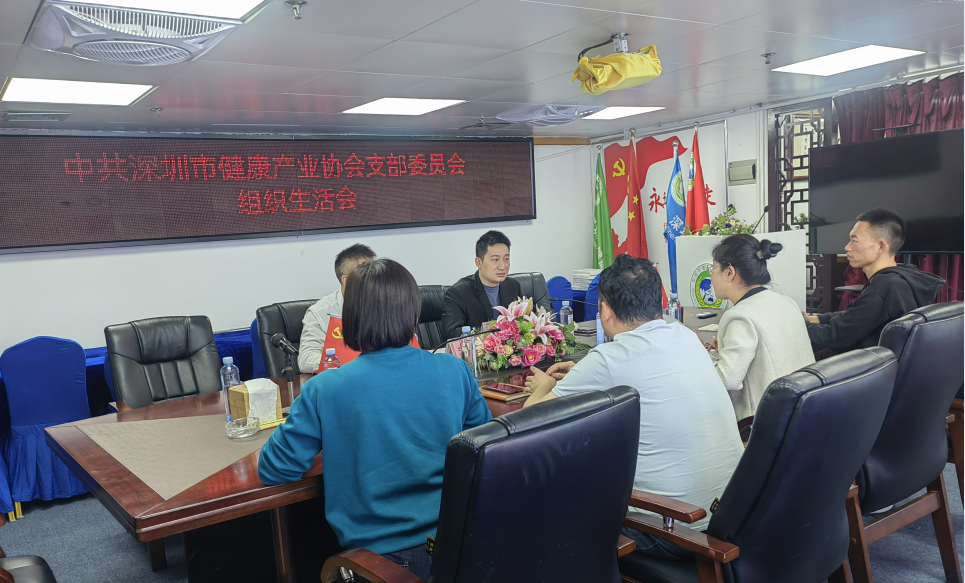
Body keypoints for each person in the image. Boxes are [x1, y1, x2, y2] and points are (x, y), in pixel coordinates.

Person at [259, 259, 492, 580]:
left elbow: (274, 469)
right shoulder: (455, 370)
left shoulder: (326, 388)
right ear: (414, 314)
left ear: (351, 320)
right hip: (459, 549)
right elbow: (482, 451)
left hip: (379, 565)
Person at [523, 254, 743, 560]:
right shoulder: (686, 335)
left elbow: (529, 420)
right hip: (734, 515)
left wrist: (545, 386)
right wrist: (583, 374)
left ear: (605, 310)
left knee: (558, 498)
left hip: (677, 531)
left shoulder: (608, 359)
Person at [706, 234, 814, 424]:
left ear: (729, 272)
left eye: (713, 268)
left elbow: (726, 380)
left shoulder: (739, 316)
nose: (711, 275)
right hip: (802, 413)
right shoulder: (787, 302)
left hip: (761, 423)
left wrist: (701, 354)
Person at [804, 208, 944, 350]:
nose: (847, 247)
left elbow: (834, 336)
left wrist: (796, 327)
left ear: (880, 246)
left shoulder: (883, 287)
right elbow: (854, 315)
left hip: (873, 362)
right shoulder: (902, 278)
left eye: (854, 240)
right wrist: (816, 319)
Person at [298, 243, 376, 373]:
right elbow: (306, 359)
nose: (375, 279)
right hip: (344, 378)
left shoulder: (385, 303)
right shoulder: (320, 312)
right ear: (347, 280)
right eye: (367, 274)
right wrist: (347, 362)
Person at [441, 230, 522, 339]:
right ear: (479, 262)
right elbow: (451, 332)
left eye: (506, 259)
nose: (502, 266)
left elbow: (528, 321)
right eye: (495, 260)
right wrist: (494, 330)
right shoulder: (459, 292)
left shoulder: (513, 286)